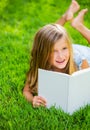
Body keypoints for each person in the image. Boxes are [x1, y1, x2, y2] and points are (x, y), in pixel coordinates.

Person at [23, 0, 90, 107]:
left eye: (64, 48)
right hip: (62, 49)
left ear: (68, 46)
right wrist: (32, 100)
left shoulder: (80, 61)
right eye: (53, 51)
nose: (60, 56)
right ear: (43, 53)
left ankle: (78, 25)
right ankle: (65, 16)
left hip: (80, 54)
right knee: (48, 37)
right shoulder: (39, 64)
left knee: (54, 39)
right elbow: (26, 91)